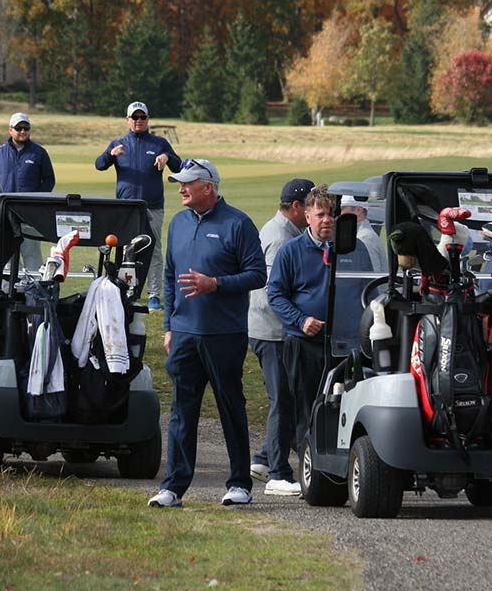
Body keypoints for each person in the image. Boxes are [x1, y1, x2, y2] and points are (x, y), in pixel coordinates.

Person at [148, 159, 265, 508]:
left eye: (188, 183)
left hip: (224, 334)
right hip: (184, 334)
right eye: (179, 183)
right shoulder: (180, 223)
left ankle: (240, 484)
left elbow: (258, 275)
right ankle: (173, 487)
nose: (181, 189)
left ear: (208, 187)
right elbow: (170, 277)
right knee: (182, 412)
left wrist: (216, 284)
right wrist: (169, 325)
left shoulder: (238, 224)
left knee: (231, 408)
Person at [269, 186, 372, 460]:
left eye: (332, 215)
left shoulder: (355, 249)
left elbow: (368, 289)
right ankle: (311, 471)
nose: (327, 220)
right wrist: (301, 320)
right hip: (305, 344)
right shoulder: (290, 251)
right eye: (321, 214)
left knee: (345, 408)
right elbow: (275, 295)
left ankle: (342, 465)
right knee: (307, 410)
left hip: (346, 345)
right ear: (308, 216)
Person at [247, 178, 311, 495]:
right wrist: (302, 319)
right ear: (296, 207)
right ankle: (278, 473)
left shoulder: (289, 232)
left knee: (286, 398)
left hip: (274, 330)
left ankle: (262, 458)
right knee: (281, 402)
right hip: (272, 332)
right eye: (310, 206)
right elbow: (272, 295)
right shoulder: (280, 238)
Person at [95, 101, 182, 312]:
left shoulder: (159, 143)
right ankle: (130, 291)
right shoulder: (119, 143)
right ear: (128, 120)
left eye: (142, 117)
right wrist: (110, 155)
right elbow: (99, 165)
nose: (138, 121)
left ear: (148, 119)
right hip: (126, 208)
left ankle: (153, 294)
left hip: (151, 206)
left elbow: (179, 166)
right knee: (128, 250)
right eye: (135, 117)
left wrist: (167, 157)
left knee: (153, 250)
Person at [0, 112, 56, 272]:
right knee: (9, 256)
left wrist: (37, 200)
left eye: (26, 128)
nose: (23, 131)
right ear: (10, 130)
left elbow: (49, 180)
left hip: (30, 214)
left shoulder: (39, 152)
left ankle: (34, 292)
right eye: (19, 128)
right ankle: (9, 292)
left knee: (31, 254)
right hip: (5, 212)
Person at [340, 194, 387, 272]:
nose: (340, 213)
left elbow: (373, 275)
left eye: (343, 208)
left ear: (358, 210)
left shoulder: (365, 238)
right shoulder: (361, 235)